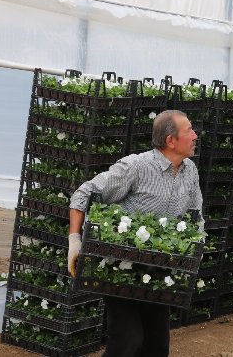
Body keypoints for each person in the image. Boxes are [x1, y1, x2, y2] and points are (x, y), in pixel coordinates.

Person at [67, 110, 201, 357]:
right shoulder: (136, 167)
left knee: (157, 346)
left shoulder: (189, 170)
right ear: (170, 140)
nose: (195, 136)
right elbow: (82, 194)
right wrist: (74, 241)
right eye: (189, 131)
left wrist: (194, 246)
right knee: (128, 339)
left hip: (158, 270)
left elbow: (195, 216)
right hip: (119, 268)